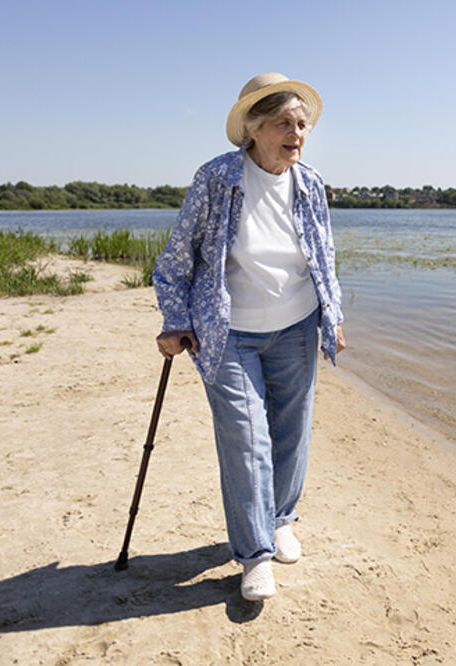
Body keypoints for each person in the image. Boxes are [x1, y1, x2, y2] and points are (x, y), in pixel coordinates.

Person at [152, 72, 346, 601]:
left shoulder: (310, 183)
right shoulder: (216, 178)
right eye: (285, 122)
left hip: (298, 324)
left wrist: (334, 316)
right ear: (255, 129)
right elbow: (175, 258)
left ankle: (281, 518)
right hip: (228, 330)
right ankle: (255, 555)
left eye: (302, 123)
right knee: (246, 440)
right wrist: (175, 320)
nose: (296, 133)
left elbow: (323, 256)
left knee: (291, 432)